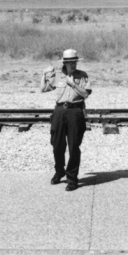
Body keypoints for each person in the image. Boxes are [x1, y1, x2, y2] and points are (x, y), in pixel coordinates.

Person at [41, 48, 92, 191]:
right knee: (57, 144)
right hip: (59, 111)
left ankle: (72, 178)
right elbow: (44, 88)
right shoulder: (57, 76)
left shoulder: (82, 75)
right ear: (65, 63)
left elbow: (85, 94)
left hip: (75, 111)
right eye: (70, 62)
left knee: (74, 146)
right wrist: (44, 74)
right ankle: (59, 171)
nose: (73, 64)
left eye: (74, 61)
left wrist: (73, 84)